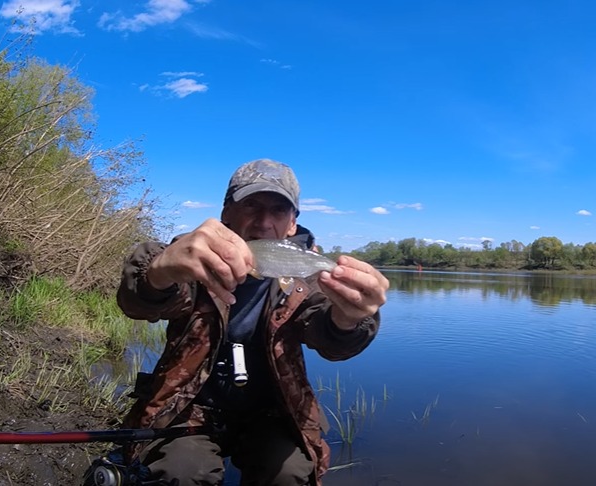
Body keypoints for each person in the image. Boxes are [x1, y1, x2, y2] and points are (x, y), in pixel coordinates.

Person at [113, 159, 389, 486]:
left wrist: (349, 318)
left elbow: (329, 338)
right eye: (252, 205)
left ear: (292, 223)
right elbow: (137, 302)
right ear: (226, 212)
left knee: (289, 473)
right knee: (182, 474)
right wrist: (160, 271)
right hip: (188, 409)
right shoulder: (191, 260)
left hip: (272, 413)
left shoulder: (306, 278)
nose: (263, 222)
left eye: (277, 210)